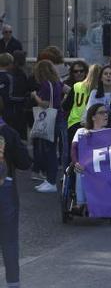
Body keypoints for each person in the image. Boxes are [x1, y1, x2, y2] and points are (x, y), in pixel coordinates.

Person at [1, 93, 31, 288]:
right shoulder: (9, 132)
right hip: (5, 189)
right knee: (9, 240)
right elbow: (24, 163)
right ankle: (13, 283)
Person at [70, 104, 111, 215]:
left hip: (104, 165)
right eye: (102, 112)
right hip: (86, 166)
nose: (105, 115)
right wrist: (76, 163)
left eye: (106, 112)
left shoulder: (110, 132)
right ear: (93, 117)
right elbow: (74, 149)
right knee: (80, 169)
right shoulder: (81, 131)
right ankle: (81, 203)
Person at [30, 60, 65, 193]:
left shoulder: (45, 84)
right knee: (51, 149)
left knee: (49, 151)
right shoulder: (57, 82)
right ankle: (49, 180)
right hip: (58, 117)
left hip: (50, 120)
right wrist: (61, 104)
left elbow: (44, 104)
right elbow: (68, 90)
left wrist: (35, 96)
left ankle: (51, 181)